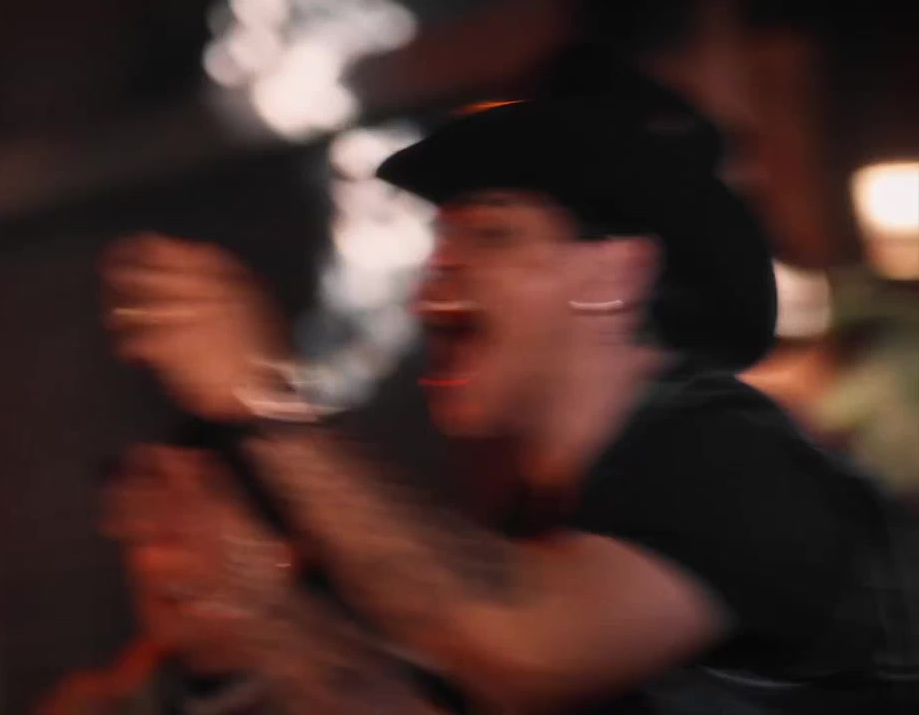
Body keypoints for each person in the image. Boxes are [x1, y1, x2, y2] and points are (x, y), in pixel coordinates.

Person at [101, 60, 919, 714]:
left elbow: (533, 648)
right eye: (439, 244)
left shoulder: (730, 462)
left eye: (490, 234)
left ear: (615, 275)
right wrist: (255, 603)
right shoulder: (555, 520)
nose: (431, 288)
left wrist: (265, 403)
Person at [38, 434, 443, 715]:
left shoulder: (376, 690)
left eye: (182, 530)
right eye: (143, 532)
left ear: (283, 552)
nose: (153, 562)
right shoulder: (128, 698)